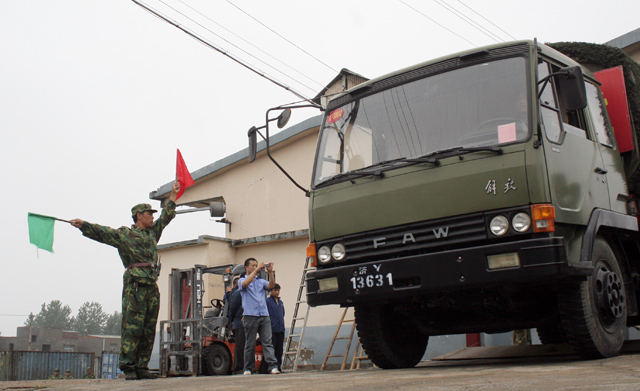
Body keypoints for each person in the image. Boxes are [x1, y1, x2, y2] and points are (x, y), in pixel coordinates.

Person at [70, 181, 180, 381]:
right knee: (133, 327)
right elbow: (103, 233)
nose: (153, 217)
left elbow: (166, 217)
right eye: (149, 214)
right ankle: (128, 367)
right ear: (139, 216)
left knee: (148, 328)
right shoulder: (125, 235)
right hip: (135, 286)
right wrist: (84, 225)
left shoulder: (151, 234)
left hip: (151, 286)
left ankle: (142, 367)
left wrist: (173, 195)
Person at [238, 258, 279, 375]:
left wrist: (270, 272)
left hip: (264, 315)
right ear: (246, 267)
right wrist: (257, 270)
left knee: (267, 341)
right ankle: (248, 368)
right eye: (252, 266)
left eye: (256, 265)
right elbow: (245, 284)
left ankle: (272, 366)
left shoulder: (260, 281)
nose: (255, 267)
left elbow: (271, 285)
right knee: (250, 343)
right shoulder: (242, 280)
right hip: (250, 315)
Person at [228, 275, 245, 375]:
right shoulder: (237, 293)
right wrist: (232, 320)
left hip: (247, 322)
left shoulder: (247, 292)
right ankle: (238, 368)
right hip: (239, 322)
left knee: (246, 346)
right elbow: (232, 308)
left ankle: (245, 367)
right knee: (239, 346)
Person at [267, 283, 285, 372]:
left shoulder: (280, 302)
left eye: (278, 290)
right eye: (275, 290)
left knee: (279, 350)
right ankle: (271, 367)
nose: (277, 292)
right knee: (272, 349)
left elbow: (283, 314)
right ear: (271, 291)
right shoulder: (268, 301)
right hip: (272, 329)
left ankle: (279, 367)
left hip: (280, 329)